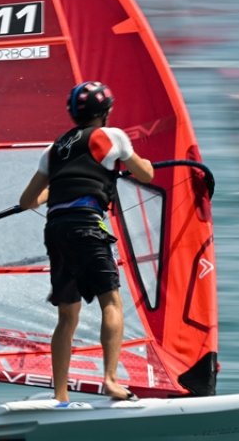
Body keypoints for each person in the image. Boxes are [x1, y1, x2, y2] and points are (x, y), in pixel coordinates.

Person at [18, 81, 154, 403]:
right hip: (86, 225)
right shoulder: (113, 136)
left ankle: (60, 396)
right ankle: (110, 380)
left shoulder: (53, 150)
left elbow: (27, 201)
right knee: (111, 301)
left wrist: (63, 187)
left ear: (72, 113)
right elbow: (147, 174)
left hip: (56, 229)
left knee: (67, 314)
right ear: (106, 112)